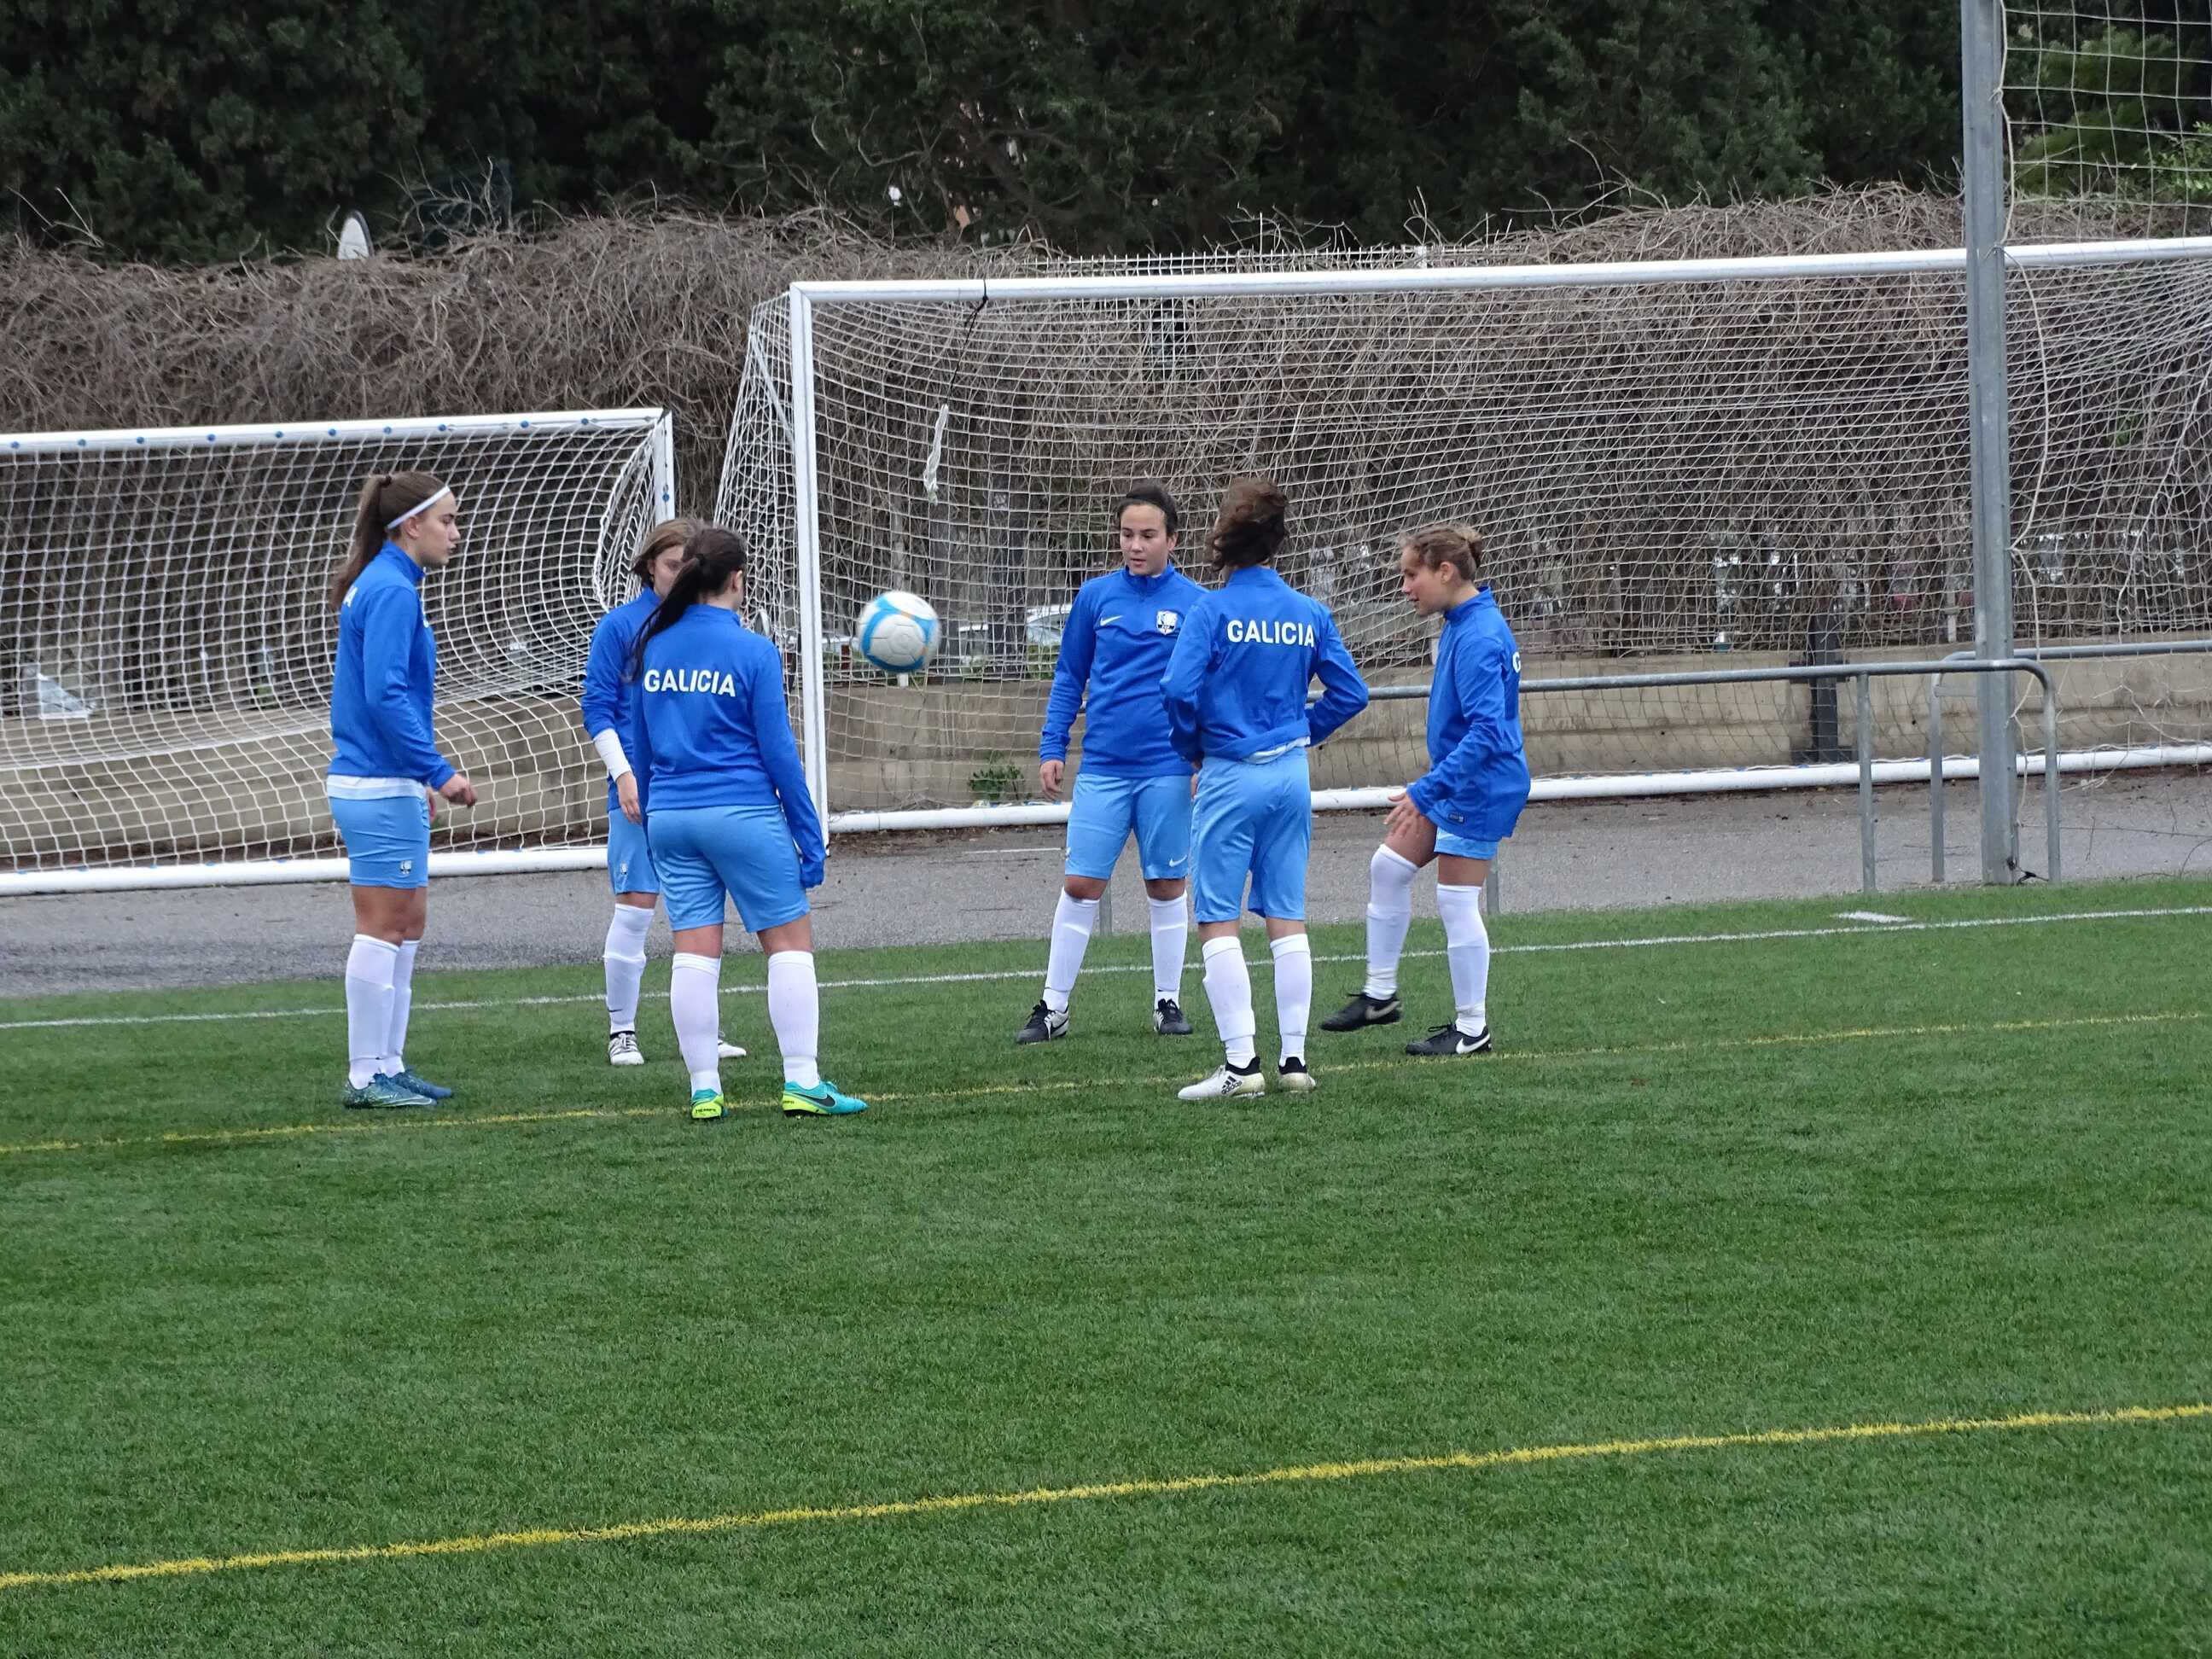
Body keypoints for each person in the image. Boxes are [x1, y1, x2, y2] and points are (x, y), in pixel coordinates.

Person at [631, 526, 866, 1122]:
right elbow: (779, 753)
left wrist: (655, 816)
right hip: (742, 814)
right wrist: (809, 836)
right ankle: (802, 1081)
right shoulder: (754, 651)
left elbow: (641, 748)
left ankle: (704, 1090)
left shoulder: (654, 646)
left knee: (694, 952)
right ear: (738, 579)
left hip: (671, 817)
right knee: (788, 945)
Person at [1161, 476, 1368, 1099]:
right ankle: (1295, 1061)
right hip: (1290, 776)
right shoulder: (1309, 612)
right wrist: (1302, 731)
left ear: (1225, 537)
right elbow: (1352, 693)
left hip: (1231, 772)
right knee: (1286, 913)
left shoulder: (1211, 611)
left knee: (1216, 917)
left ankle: (1241, 1065)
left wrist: (1192, 747)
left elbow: (1176, 690)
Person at [1320, 523, 1529, 1056]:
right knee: (1388, 868)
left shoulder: (1479, 635)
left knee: (1456, 902)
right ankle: (1379, 995)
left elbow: (1488, 734)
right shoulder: (1463, 622)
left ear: (1446, 571)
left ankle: (1472, 1029)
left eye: (1412, 575)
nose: (1405, 587)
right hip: (1457, 782)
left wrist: (1427, 789)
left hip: (1479, 787)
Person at [1017, 481, 1209, 1045]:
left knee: (1167, 884)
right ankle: (1053, 1008)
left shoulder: (1198, 604)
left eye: (1148, 535)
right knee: (1081, 884)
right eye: (1127, 534)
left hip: (1169, 768)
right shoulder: (1095, 598)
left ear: (1173, 540)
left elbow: (1211, 688)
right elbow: (1069, 676)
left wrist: (1204, 755)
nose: (1135, 545)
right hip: (1103, 767)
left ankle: (1168, 1001)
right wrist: (1052, 746)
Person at [326, 470, 477, 1109]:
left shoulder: (390, 583)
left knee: (408, 924)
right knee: (382, 927)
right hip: (374, 783)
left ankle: (389, 1062)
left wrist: (420, 775)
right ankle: (366, 1077)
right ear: (411, 525)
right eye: (447, 520)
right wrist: (437, 771)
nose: (456, 533)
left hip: (390, 781)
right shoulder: (390, 589)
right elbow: (385, 694)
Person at [579, 516, 746, 1068]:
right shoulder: (620, 627)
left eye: (689, 565)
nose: (681, 574)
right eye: (673, 564)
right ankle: (621, 1031)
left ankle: (704, 1031)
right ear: (650, 565)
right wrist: (624, 774)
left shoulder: (708, 626)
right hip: (639, 788)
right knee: (635, 908)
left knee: (700, 912)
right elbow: (597, 707)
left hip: (696, 789)